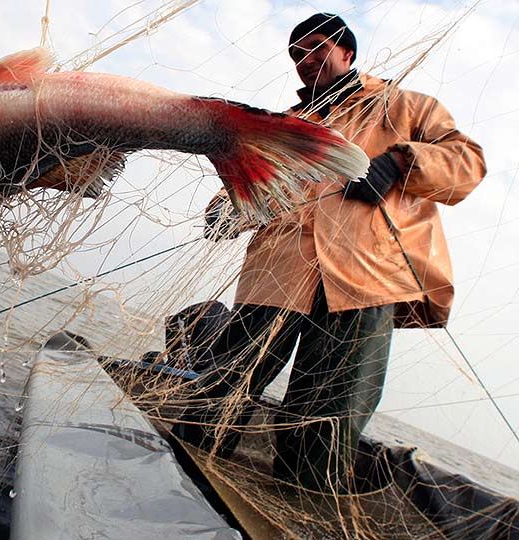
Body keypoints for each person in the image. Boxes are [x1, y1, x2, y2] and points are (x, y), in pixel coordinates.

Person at [176, 13, 486, 493]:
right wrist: (225, 210)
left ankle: (304, 495)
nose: (305, 61)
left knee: (328, 414)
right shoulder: (286, 125)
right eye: (296, 55)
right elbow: (251, 182)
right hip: (274, 274)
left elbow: (468, 164)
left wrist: (401, 161)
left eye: (317, 48)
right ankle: (179, 475)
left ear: (347, 52)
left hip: (363, 279)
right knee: (222, 386)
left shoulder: (407, 107)